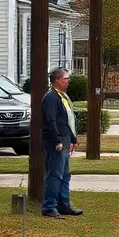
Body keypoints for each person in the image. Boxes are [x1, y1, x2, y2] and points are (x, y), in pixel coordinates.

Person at [41, 67, 82, 218]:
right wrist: (57, 140)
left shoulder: (62, 97)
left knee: (65, 175)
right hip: (55, 143)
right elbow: (50, 121)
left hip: (65, 141)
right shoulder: (51, 98)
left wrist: (72, 138)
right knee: (55, 175)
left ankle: (64, 205)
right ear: (57, 80)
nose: (68, 82)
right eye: (66, 79)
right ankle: (49, 207)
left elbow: (66, 120)